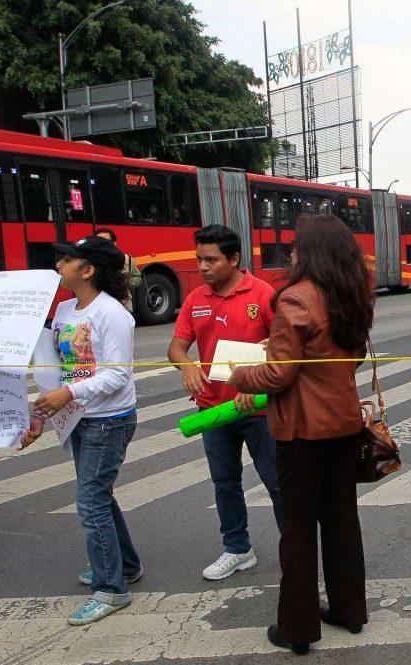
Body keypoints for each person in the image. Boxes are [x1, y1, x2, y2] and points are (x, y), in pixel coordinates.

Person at [228, 213, 374, 655]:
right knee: (342, 521)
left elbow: (278, 374)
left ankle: (297, 628)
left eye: (295, 246)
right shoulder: (353, 294)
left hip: (302, 433)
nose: (291, 253)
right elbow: (348, 359)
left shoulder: (296, 298)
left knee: (298, 531)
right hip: (344, 425)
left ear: (309, 252)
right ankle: (350, 610)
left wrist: (238, 374)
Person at [21, 235, 138, 626]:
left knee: (90, 502)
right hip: (77, 417)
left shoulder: (112, 314)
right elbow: (55, 368)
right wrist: (42, 414)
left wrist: (68, 392)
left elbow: (117, 376)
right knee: (98, 497)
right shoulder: (65, 309)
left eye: (67, 260)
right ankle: (126, 566)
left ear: (87, 270)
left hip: (108, 420)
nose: (58, 265)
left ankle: (111, 589)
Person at [168, 224, 282, 581]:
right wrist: (187, 367)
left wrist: (256, 378)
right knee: (225, 482)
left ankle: (295, 549)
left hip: (258, 409)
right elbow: (176, 348)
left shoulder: (262, 294)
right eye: (199, 259)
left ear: (233, 259)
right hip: (214, 410)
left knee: (277, 481)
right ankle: (237, 548)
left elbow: (283, 347)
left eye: (211, 260)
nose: (203, 267)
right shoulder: (196, 299)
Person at [94, 229, 142, 313]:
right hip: (97, 308)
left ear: (114, 243)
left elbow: (137, 278)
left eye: (106, 242)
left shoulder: (127, 260)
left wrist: (128, 282)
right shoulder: (88, 262)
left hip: (123, 306)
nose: (102, 245)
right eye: (99, 241)